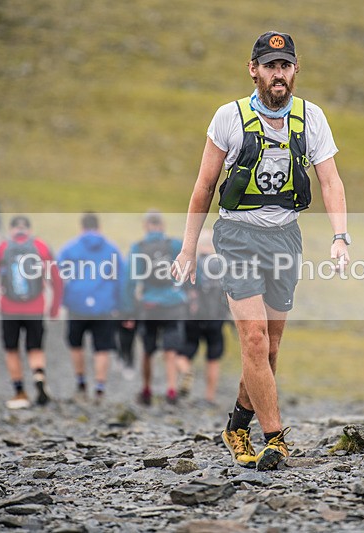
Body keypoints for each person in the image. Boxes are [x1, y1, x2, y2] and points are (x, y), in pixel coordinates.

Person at [173, 31, 349, 471]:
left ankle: (237, 424)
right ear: (253, 69)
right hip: (236, 236)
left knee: (268, 350)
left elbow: (330, 181)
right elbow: (204, 187)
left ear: (295, 71)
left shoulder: (312, 119)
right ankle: (275, 439)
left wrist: (340, 236)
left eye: (285, 65)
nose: (278, 74)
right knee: (252, 339)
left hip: (285, 238)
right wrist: (188, 249)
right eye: (270, 65)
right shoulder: (227, 118)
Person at [0, 215, 62, 409]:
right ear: (29, 230)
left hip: (9, 309)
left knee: (12, 349)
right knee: (35, 347)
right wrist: (55, 307)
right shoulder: (40, 246)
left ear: (12, 230)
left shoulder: (2, 248)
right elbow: (56, 279)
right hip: (35, 308)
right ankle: (39, 376)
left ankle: (20, 392)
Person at [57, 213, 123, 403]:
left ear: (82, 227)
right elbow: (121, 277)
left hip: (77, 304)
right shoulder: (112, 249)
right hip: (104, 305)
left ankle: (81, 383)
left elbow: (57, 276)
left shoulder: (70, 248)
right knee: (102, 348)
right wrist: (119, 304)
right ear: (99, 227)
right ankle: (100, 388)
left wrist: (61, 301)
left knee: (76, 344)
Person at [126, 210, 188, 406]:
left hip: (149, 305)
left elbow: (130, 279)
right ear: (163, 225)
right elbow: (190, 269)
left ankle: (147, 390)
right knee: (170, 351)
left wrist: (128, 309)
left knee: (148, 350)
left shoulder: (138, 247)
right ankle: (171, 390)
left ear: (146, 226)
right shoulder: (174, 244)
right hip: (173, 303)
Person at [177, 229, 228, 405]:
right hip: (216, 317)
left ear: (200, 246)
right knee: (213, 357)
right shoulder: (222, 266)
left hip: (194, 317)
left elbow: (182, 290)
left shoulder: (194, 264)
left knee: (184, 352)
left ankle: (186, 371)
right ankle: (210, 396)